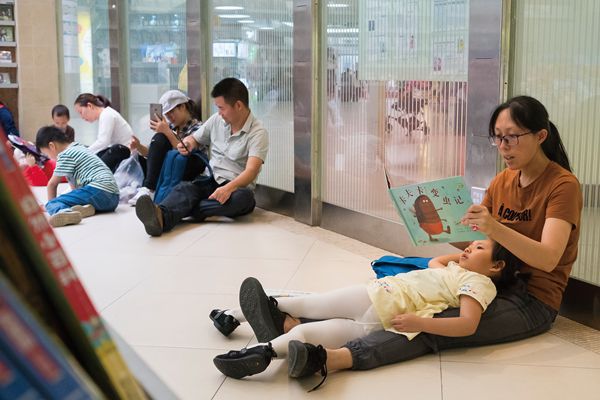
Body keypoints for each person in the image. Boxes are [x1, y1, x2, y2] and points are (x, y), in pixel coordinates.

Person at [212, 95, 583, 378]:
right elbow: (474, 241)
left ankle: (333, 357)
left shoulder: (562, 186)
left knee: (431, 326)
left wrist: (493, 228)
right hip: (484, 276)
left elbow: (549, 257)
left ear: (541, 136)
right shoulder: (505, 180)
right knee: (389, 299)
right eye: (497, 139)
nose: (503, 149)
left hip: (531, 298)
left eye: (512, 139)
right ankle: (290, 324)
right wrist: (431, 226)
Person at [212, 239, 523, 389]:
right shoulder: (457, 269)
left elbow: (468, 324)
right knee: (311, 310)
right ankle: (240, 321)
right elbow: (436, 261)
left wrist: (419, 323)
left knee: (310, 323)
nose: (468, 248)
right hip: (379, 311)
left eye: (479, 248)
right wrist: (466, 255)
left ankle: (259, 350)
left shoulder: (479, 284)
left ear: (497, 267)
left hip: (380, 300)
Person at [134, 77, 269, 237]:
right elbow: (195, 138)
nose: (219, 113)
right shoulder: (216, 120)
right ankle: (161, 217)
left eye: (222, 108)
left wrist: (228, 188)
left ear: (238, 105)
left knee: (245, 200)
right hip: (211, 180)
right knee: (185, 188)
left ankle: (189, 209)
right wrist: (190, 143)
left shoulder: (258, 133)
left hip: (236, 186)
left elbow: (251, 171)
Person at [128, 90, 205, 206]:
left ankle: (150, 188)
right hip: (172, 169)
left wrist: (167, 132)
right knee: (147, 152)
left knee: (161, 137)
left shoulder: (198, 127)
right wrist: (138, 146)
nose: (170, 117)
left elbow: (186, 151)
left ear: (183, 107)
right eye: (167, 114)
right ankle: (148, 189)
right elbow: (153, 155)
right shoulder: (170, 128)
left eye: (172, 112)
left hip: (191, 167)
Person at [35, 126, 120, 227]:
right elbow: (74, 189)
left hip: (99, 190)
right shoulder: (79, 148)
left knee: (53, 203)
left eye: (46, 154)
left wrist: (51, 205)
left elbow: (52, 184)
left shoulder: (65, 154)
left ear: (52, 146)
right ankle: (84, 208)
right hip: (113, 199)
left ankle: (64, 212)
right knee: (70, 199)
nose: (49, 158)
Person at [74, 93, 133, 172]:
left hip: (125, 154)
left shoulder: (107, 115)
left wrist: (84, 154)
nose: (82, 117)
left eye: (81, 112)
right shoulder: (106, 114)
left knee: (92, 155)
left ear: (90, 106)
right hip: (122, 152)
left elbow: (103, 142)